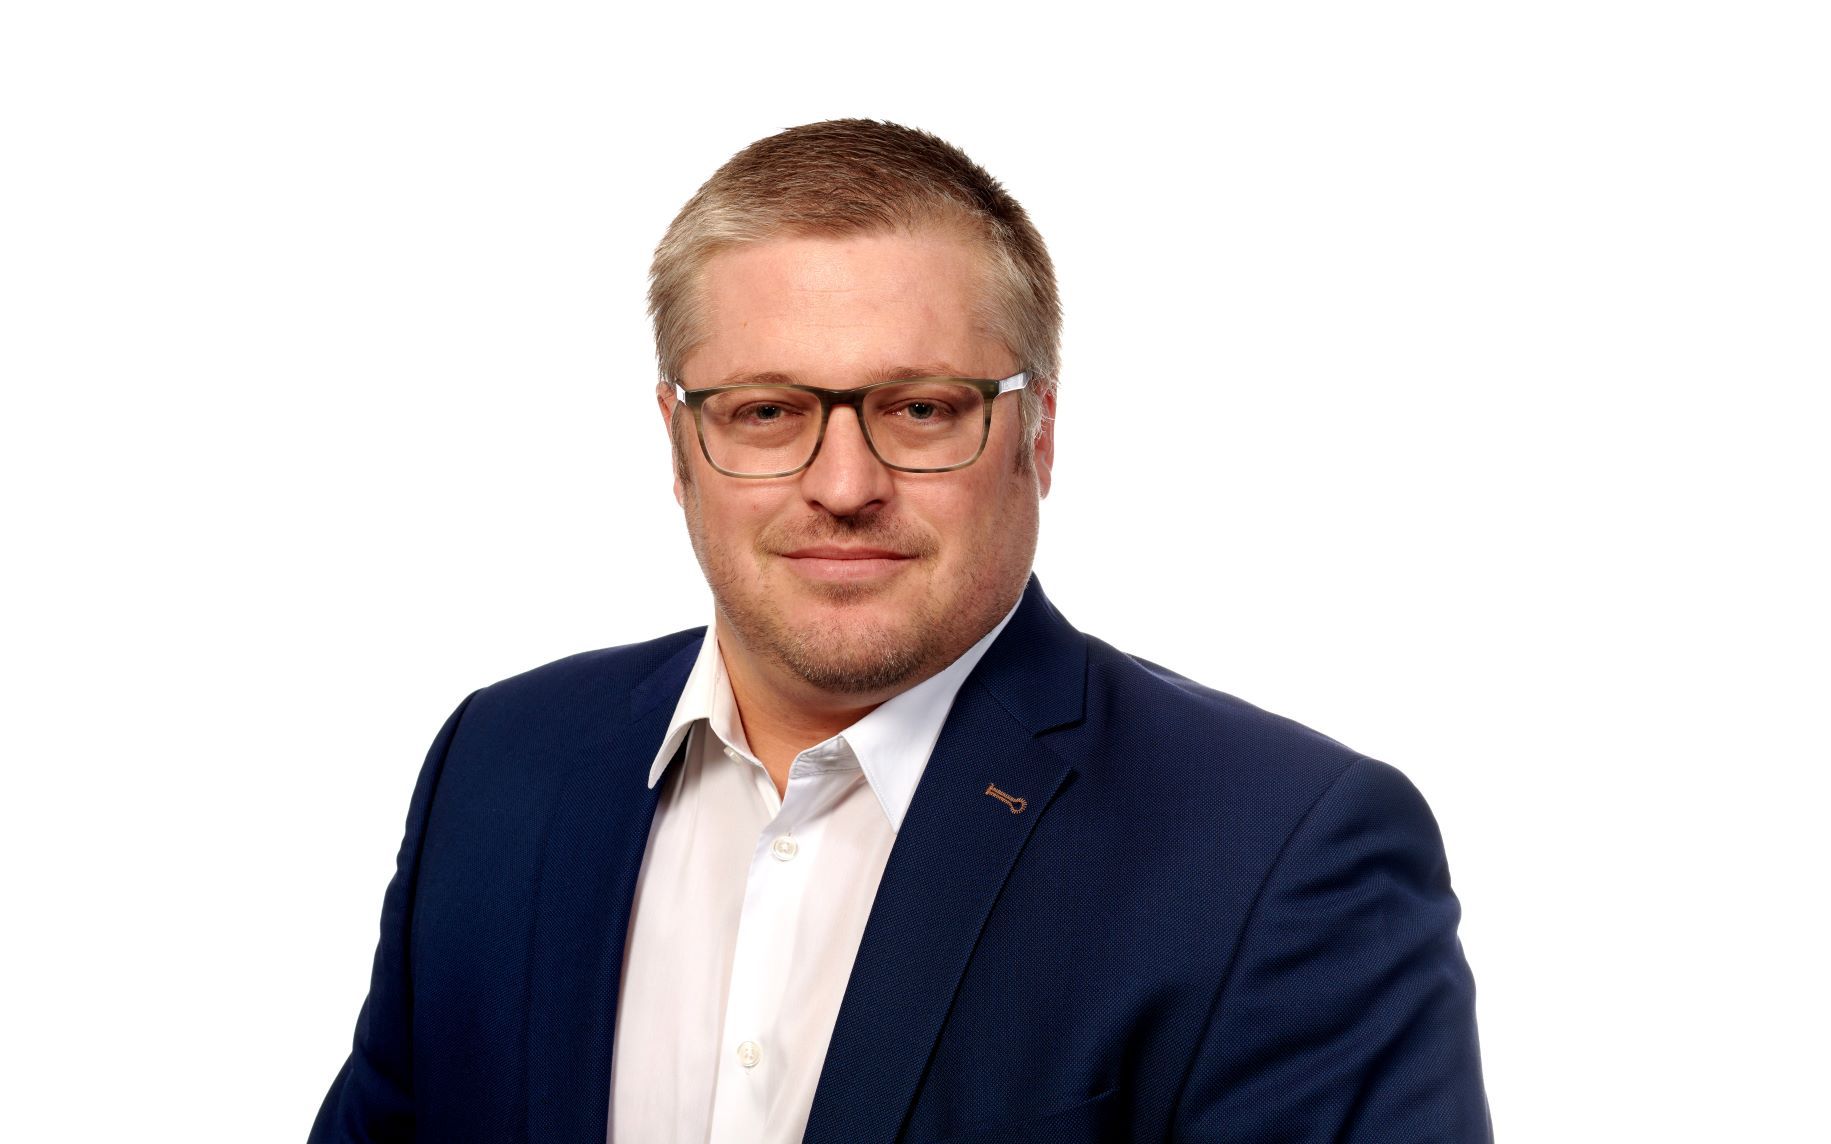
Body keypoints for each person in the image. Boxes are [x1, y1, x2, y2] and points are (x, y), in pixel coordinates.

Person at [310, 119, 1489, 1144]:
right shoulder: (498, 767)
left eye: (920, 408)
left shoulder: (1283, 853)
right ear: (679, 443)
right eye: (766, 412)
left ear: (1036, 436)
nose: (842, 484)